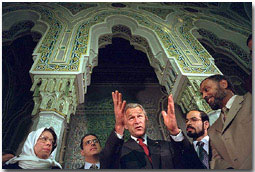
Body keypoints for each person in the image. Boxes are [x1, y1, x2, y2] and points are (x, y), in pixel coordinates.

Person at [100, 90, 203, 169]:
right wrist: (118, 128)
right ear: (125, 125)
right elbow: (107, 164)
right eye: (131, 118)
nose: (137, 121)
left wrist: (175, 131)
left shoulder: (166, 146)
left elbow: (192, 162)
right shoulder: (120, 151)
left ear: (146, 119)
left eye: (139, 116)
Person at [200, 74, 252, 169]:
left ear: (223, 84)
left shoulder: (250, 100)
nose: (204, 96)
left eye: (206, 90)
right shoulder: (212, 131)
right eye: (202, 93)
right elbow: (215, 160)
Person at [162, 95, 210, 169]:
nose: (188, 123)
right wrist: (174, 130)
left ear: (206, 124)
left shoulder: (219, 142)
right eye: (187, 121)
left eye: (194, 119)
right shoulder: (186, 151)